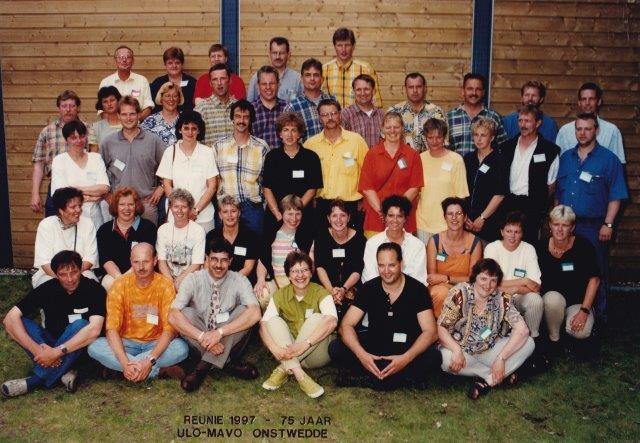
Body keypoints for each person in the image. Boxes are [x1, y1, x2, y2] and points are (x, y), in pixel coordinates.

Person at [330, 242, 441, 389]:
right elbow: (346, 326)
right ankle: (394, 376)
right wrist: (362, 356)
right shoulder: (369, 288)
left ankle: (375, 376)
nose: (386, 271)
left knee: (433, 357)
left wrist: (405, 358)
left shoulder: (418, 290)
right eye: (381, 265)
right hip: (375, 348)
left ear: (401, 264)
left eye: (391, 265)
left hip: (406, 348)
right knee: (336, 348)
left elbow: (431, 332)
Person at [1, 251, 105, 398]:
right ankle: (64, 371)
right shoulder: (47, 288)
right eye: (63, 274)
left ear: (81, 269)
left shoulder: (94, 289)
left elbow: (94, 330)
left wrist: (56, 353)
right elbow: (10, 318)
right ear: (55, 274)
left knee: (81, 325)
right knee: (20, 322)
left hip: (79, 350)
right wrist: (38, 351)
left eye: (74, 272)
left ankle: (34, 381)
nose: (70, 279)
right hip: (50, 345)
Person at [555, 113, 628, 319]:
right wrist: (556, 222)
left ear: (596, 130)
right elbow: (558, 194)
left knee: (596, 270)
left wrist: (608, 224)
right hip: (566, 227)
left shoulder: (609, 160)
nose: (582, 133)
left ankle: (599, 316)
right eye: (579, 129)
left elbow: (616, 195)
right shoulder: (565, 158)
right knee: (568, 269)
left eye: (587, 129)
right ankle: (570, 313)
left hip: (593, 227)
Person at [169, 237, 262, 392]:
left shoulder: (239, 279)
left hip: (228, 337)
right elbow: (172, 315)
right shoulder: (193, 279)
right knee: (185, 313)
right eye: (214, 259)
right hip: (201, 338)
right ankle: (228, 364)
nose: (218, 265)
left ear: (230, 261)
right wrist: (202, 337)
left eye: (224, 260)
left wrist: (219, 333)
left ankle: (201, 369)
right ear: (206, 259)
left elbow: (255, 313)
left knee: (245, 311)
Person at [88, 243, 189, 381]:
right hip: (126, 343)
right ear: (131, 262)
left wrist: (150, 359)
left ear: (155, 260)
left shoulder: (165, 285)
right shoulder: (119, 285)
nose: (141, 267)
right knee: (94, 346)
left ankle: (125, 371)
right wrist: (125, 362)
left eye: (145, 262)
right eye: (136, 262)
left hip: (156, 343)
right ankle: (154, 370)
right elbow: (111, 329)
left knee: (181, 348)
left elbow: (169, 330)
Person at [438, 259, 535, 400]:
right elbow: (442, 329)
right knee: (443, 358)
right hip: (461, 351)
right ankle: (496, 375)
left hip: (489, 349)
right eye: (483, 278)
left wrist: (501, 359)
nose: (487, 285)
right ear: (475, 277)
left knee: (529, 343)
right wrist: (456, 350)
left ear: (497, 283)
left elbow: (523, 330)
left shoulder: (502, 299)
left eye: (493, 280)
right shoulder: (459, 293)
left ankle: (487, 382)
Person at [260, 251, 338, 398]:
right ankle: (299, 374)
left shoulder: (322, 293)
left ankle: (284, 368)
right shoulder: (280, 295)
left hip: (315, 354)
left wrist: (305, 344)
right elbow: (263, 325)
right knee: (272, 321)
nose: (300, 275)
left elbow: (332, 322)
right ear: (288, 275)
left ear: (311, 273)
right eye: (295, 271)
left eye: (304, 270)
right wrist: (273, 348)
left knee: (317, 318)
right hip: (288, 350)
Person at [537, 205, 600, 355]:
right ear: (550, 225)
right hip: (552, 303)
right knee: (552, 299)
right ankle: (555, 339)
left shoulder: (583, 246)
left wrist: (584, 311)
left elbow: (595, 280)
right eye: (556, 224)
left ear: (572, 227)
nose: (560, 229)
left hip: (577, 302)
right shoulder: (540, 247)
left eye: (565, 225)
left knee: (580, 332)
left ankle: (570, 331)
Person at [100, 96, 166, 225]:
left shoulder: (153, 141)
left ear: (139, 115)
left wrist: (162, 187)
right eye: (124, 114)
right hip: (119, 205)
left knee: (148, 238)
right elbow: (98, 172)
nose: (128, 118)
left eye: (132, 114)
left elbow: (169, 167)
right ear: (118, 116)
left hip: (146, 203)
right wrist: (107, 195)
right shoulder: (108, 142)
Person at [304, 99, 369, 227]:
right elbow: (306, 178)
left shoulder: (356, 141)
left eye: (333, 113)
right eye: (325, 115)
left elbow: (368, 173)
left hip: (351, 205)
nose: (330, 118)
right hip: (322, 206)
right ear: (319, 118)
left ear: (340, 114)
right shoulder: (311, 145)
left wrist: (365, 201)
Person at [501, 104, 560, 243]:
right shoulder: (505, 147)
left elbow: (551, 186)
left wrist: (538, 206)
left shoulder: (550, 151)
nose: (523, 125)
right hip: (507, 205)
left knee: (529, 245)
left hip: (532, 208)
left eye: (527, 121)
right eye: (520, 120)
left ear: (538, 123)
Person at [358, 111, 423, 237]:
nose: (392, 131)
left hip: (403, 217)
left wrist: (396, 212)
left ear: (402, 128)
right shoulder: (372, 154)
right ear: (382, 129)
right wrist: (383, 211)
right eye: (388, 127)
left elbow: (415, 187)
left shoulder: (412, 155)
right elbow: (367, 187)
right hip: (377, 217)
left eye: (396, 127)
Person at [262, 111, 322, 243]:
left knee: (303, 250)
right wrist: (279, 214)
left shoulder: (311, 157)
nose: (289, 135)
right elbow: (267, 189)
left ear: (299, 134)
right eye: (285, 130)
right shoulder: (272, 157)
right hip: (276, 216)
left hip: (303, 216)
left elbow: (312, 189)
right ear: (280, 133)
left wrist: (295, 214)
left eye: (294, 130)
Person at [156, 110, 218, 233]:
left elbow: (212, 186)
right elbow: (167, 184)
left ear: (199, 131)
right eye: (186, 128)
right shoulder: (170, 152)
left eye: (194, 128)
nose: (190, 132)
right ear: (180, 129)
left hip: (203, 217)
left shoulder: (207, 152)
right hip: (176, 216)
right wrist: (180, 209)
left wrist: (196, 210)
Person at [213, 100, 270, 234]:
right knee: (225, 245)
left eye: (246, 117)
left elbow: (266, 180)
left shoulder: (262, 147)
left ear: (251, 120)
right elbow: (214, 180)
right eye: (238, 116)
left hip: (253, 208)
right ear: (232, 119)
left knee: (254, 245)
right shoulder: (218, 147)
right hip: (226, 208)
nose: (241, 121)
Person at [484, 211, 543, 340]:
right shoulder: (492, 248)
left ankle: (533, 338)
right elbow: (490, 283)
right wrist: (524, 281)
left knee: (535, 300)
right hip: (497, 295)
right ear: (502, 232)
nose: (512, 236)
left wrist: (516, 289)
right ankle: (491, 338)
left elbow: (536, 287)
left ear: (522, 234)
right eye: (509, 231)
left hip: (520, 296)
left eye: (517, 232)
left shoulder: (529, 249)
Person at [31, 90, 86, 216]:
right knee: (53, 224)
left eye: (72, 106)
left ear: (78, 108)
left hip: (82, 187)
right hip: (56, 187)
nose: (68, 109)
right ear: (59, 108)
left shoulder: (87, 129)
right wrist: (35, 193)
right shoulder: (47, 132)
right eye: (64, 106)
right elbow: (39, 165)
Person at [254, 195, 314, 307]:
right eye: (289, 214)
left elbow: (311, 265)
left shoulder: (307, 236)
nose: (294, 218)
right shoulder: (271, 234)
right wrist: (261, 279)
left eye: (298, 214)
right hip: (276, 279)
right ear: (282, 214)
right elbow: (262, 261)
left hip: (298, 280)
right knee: (262, 294)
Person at [426, 197, 482, 318]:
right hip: (439, 290)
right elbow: (432, 278)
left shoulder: (475, 243)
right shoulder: (435, 241)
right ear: (445, 217)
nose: (454, 218)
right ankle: (438, 327)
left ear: (465, 217)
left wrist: (446, 278)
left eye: (459, 213)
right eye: (450, 214)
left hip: (465, 289)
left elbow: (472, 279)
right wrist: (448, 284)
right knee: (440, 293)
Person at [416, 118, 469, 244]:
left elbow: (461, 196)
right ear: (425, 138)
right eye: (430, 137)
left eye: (438, 137)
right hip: (423, 224)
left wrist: (456, 222)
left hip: (447, 225)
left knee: (443, 256)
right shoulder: (419, 159)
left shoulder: (456, 160)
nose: (434, 141)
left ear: (444, 137)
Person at [32, 187, 98, 288]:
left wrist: (73, 276)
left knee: (91, 284)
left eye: (79, 206)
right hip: (51, 274)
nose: (78, 210)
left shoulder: (88, 224)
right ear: (61, 211)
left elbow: (89, 259)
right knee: (49, 287)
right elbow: (45, 262)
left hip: (80, 272)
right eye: (73, 207)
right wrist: (64, 278)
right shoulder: (46, 225)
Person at [51, 120, 110, 229]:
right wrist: (92, 196)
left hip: (96, 220)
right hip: (72, 220)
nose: (79, 140)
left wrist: (76, 190)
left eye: (82, 136)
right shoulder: (59, 161)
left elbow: (104, 188)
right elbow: (60, 194)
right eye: (73, 137)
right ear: (66, 140)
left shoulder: (96, 158)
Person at [97, 187, 157, 290]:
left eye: (130, 204)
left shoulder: (148, 228)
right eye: (122, 204)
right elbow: (106, 259)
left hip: (142, 273)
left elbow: (148, 259)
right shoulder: (104, 230)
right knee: (108, 282)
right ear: (116, 206)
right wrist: (120, 279)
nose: (126, 208)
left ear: (136, 206)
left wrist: (127, 278)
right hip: (115, 276)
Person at [314, 200, 366, 316]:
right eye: (334, 215)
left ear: (348, 218)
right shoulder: (322, 236)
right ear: (328, 218)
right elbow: (320, 267)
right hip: (326, 285)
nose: (338, 220)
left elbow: (357, 270)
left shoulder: (359, 239)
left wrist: (343, 289)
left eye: (342, 215)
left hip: (350, 287)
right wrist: (331, 290)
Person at [361, 195, 426, 285]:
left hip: (409, 291)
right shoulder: (372, 243)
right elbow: (369, 277)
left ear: (405, 219)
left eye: (399, 216)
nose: (395, 220)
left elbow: (419, 279)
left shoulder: (417, 245)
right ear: (385, 217)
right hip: (378, 291)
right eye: (391, 215)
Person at [556, 82, 625, 163]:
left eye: (591, 99)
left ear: (599, 101)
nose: (587, 103)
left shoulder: (612, 131)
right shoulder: (565, 131)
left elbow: (620, 163)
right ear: (579, 102)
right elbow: (557, 163)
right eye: (583, 99)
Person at [464, 118, 508, 242]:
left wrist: (482, 217)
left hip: (490, 221)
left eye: (483, 135)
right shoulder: (468, 159)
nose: (479, 139)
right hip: (468, 221)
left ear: (492, 137)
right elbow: (462, 189)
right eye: (476, 135)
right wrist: (464, 216)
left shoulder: (500, 160)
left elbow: (500, 194)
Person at [447, 73, 508, 157]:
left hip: (485, 165)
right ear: (463, 91)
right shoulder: (450, 117)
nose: (474, 93)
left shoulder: (493, 117)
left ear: (483, 92)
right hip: (456, 165)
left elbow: (503, 147)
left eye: (478, 89)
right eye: (470, 89)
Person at [156, 189, 206, 290]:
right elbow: (161, 261)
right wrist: (171, 283)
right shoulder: (163, 230)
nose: (179, 210)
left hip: (190, 279)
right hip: (167, 279)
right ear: (170, 208)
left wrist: (179, 281)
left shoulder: (198, 230)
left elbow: (196, 264)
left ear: (190, 209)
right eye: (176, 206)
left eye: (184, 207)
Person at [322, 27, 382, 108]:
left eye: (347, 45)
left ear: (353, 46)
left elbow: (376, 102)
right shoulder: (325, 69)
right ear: (334, 46)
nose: (343, 49)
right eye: (339, 45)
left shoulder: (366, 69)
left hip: (359, 116)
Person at [388, 72, 446, 152]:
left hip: (430, 159)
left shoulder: (437, 112)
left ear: (425, 88)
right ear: (405, 89)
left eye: (418, 87)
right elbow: (385, 141)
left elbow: (444, 143)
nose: (415, 91)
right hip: (401, 159)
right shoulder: (393, 112)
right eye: (411, 87)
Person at [205, 195, 259, 280]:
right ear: (220, 215)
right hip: (216, 280)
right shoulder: (212, 236)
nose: (229, 215)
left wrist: (228, 282)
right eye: (225, 212)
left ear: (239, 213)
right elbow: (207, 264)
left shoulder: (251, 236)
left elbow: (248, 268)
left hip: (242, 280)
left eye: (233, 211)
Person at [284, 58, 334, 142]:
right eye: (308, 75)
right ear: (301, 79)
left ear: (322, 79)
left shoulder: (332, 101)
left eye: (316, 75)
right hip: (304, 150)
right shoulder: (293, 107)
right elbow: (288, 139)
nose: (312, 78)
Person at [99, 46, 153, 121]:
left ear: (133, 61)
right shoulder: (106, 82)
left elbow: (148, 107)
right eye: (120, 57)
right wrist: (118, 124)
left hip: (138, 125)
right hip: (112, 126)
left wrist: (132, 122)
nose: (124, 60)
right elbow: (102, 112)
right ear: (115, 60)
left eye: (128, 57)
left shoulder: (142, 81)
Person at [195, 63, 238, 147]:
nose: (219, 83)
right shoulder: (201, 109)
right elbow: (195, 142)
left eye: (222, 78)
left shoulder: (238, 106)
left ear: (230, 80)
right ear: (210, 83)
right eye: (215, 79)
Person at [247, 36, 302, 103]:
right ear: (269, 54)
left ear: (288, 55)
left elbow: (303, 104)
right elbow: (249, 105)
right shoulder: (257, 77)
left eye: (281, 53)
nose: (277, 57)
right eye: (274, 53)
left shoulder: (297, 79)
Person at [340, 74, 384, 148]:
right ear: (354, 92)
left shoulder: (381, 114)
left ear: (373, 91)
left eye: (366, 89)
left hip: (378, 155)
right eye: (358, 90)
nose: (363, 93)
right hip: (355, 155)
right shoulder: (345, 114)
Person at [149, 47, 196, 113]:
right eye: (170, 63)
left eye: (177, 63)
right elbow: (153, 107)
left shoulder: (192, 83)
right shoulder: (157, 83)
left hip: (187, 118)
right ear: (165, 64)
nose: (174, 66)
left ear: (182, 64)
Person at [250, 65, 287, 150]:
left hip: (283, 158)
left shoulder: (287, 108)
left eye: (272, 83)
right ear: (258, 85)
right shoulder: (250, 110)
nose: (268, 87)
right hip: (258, 158)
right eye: (264, 84)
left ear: (278, 84)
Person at [140, 81, 182, 146]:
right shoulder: (150, 121)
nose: (171, 99)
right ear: (161, 98)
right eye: (167, 96)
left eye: (175, 96)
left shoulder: (186, 118)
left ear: (179, 99)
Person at [89, 86, 122, 151]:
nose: (109, 104)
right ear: (101, 105)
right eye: (105, 101)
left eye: (112, 100)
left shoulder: (128, 123)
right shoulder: (95, 128)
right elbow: (94, 154)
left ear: (118, 101)